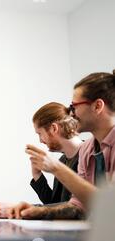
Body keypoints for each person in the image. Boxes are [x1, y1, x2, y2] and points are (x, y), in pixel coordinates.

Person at [12, 70, 115, 220]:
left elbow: (109, 205)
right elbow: (79, 206)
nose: (70, 115)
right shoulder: (88, 149)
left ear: (97, 106)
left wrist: (55, 168)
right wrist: (35, 211)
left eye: (74, 107)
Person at [0, 102, 83, 218]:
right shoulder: (63, 160)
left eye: (40, 133)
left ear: (54, 128)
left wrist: (18, 210)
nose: (40, 140)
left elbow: (77, 208)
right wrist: (37, 175)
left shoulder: (88, 156)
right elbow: (53, 205)